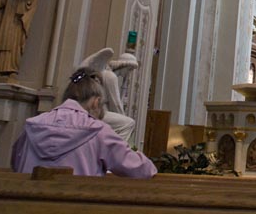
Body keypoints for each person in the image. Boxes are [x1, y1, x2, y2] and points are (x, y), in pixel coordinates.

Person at [11, 68, 156, 177]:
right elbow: (142, 170)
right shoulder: (98, 131)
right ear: (95, 102)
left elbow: (16, 163)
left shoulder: (32, 125)